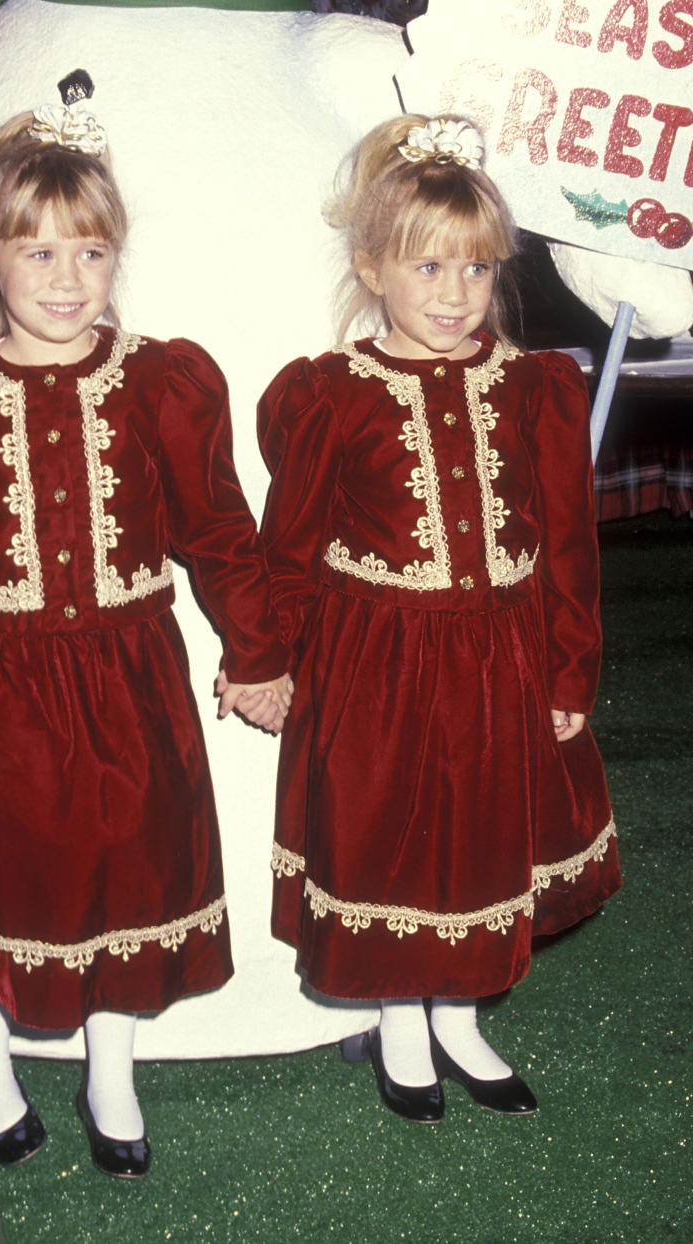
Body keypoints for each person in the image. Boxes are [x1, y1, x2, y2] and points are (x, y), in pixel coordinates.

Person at [0, 71, 292, 1177]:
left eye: (91, 251)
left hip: (127, 673)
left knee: (124, 867)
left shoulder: (162, 384)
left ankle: (108, 1066)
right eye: (38, 253)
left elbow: (220, 526)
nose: (68, 279)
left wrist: (258, 649)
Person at [258, 115, 620, 1123]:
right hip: (378, 662)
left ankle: (461, 1014)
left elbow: (567, 544)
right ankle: (398, 1018)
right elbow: (288, 544)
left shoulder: (533, 387)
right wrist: (270, 657)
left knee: (479, 837)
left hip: (499, 654)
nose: (456, 295)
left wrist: (566, 669)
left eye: (476, 270)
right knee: (391, 837)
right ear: (373, 267)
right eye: (428, 268)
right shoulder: (329, 395)